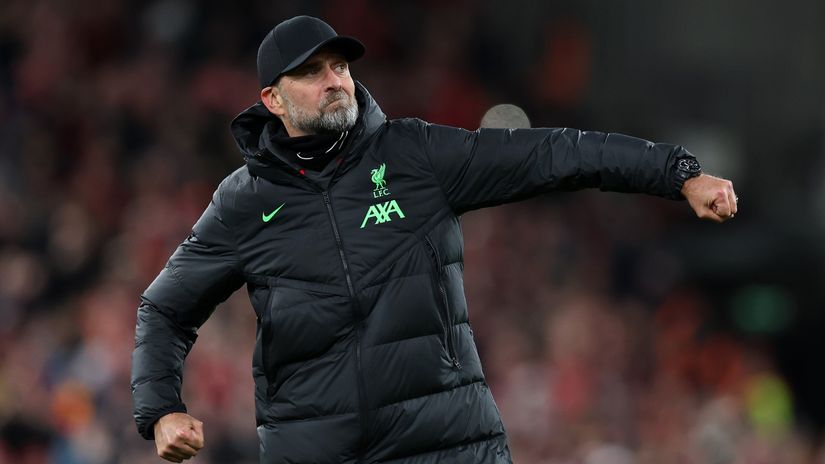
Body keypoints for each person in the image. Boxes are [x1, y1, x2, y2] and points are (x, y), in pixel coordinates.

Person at [131, 15, 737, 464]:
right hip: (315, 450)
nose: (335, 81)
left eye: (340, 66)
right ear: (272, 99)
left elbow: (553, 154)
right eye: (312, 73)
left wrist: (676, 174)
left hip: (447, 443)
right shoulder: (245, 201)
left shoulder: (414, 154)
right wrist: (161, 411)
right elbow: (164, 308)